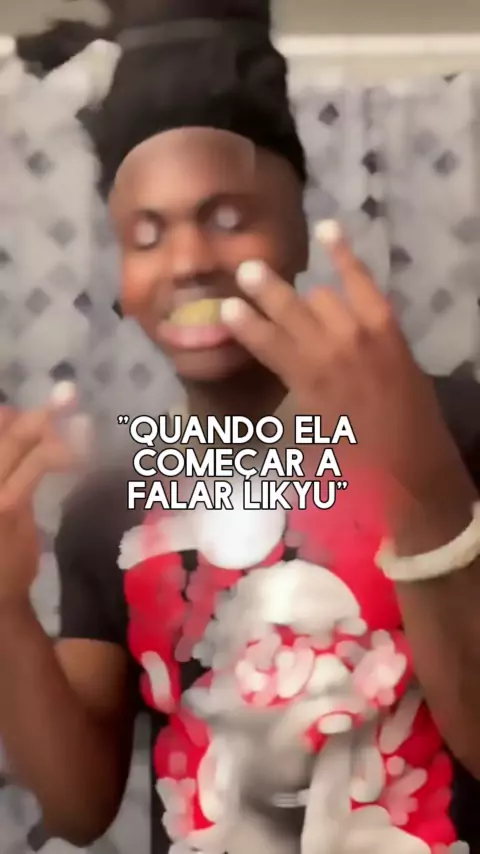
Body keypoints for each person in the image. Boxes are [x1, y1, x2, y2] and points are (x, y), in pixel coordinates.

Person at [1, 2, 480, 852]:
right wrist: (3, 606)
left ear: (296, 230)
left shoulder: (452, 425)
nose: (188, 262)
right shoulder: (110, 507)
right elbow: (78, 810)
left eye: (227, 219)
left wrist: (427, 491)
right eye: (147, 236)